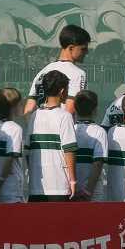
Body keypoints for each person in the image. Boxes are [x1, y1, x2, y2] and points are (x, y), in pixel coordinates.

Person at [25, 71, 79, 202]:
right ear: (62, 91)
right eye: (67, 89)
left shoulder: (34, 116)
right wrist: (72, 180)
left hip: (35, 187)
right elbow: (69, 150)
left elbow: (27, 150)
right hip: (59, 186)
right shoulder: (65, 116)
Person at [25, 24, 91, 116]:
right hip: (62, 128)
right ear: (71, 48)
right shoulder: (77, 73)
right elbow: (70, 109)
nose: (86, 52)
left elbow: (29, 109)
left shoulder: (43, 71)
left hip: (39, 128)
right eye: (83, 49)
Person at [0, 87, 25, 204]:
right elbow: (10, 158)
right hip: (11, 191)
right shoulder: (15, 129)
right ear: (13, 108)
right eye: (19, 103)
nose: (22, 105)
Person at [72, 90, 109, 201]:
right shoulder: (100, 132)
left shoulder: (70, 129)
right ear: (95, 109)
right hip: (93, 194)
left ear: (75, 109)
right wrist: (88, 191)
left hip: (71, 191)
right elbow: (98, 164)